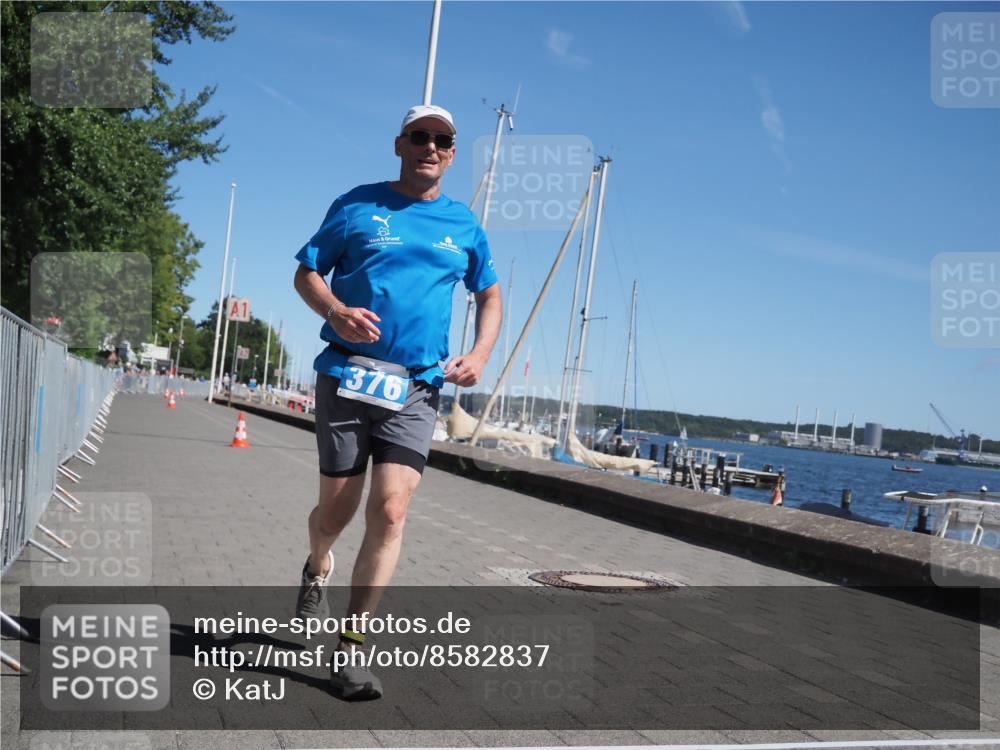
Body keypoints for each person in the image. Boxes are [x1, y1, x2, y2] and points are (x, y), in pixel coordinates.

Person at [292, 104, 502, 699]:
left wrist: (480, 354)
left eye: (442, 140)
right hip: (347, 375)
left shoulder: (463, 225)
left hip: (416, 386)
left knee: (389, 512)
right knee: (334, 516)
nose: (430, 147)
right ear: (399, 144)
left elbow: (490, 295)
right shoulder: (357, 206)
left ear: (452, 154)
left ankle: (351, 651)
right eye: (419, 137)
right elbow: (306, 273)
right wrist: (336, 310)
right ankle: (317, 566)